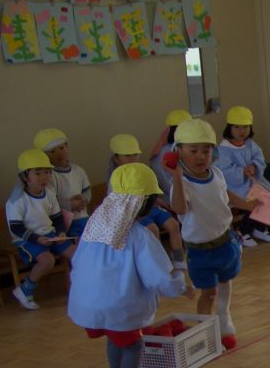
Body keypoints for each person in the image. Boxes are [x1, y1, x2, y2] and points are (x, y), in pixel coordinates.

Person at [68, 163, 193, 368]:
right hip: (117, 304)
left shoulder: (95, 225)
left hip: (88, 301)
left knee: (115, 340)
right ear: (145, 203)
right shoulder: (138, 236)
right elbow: (158, 277)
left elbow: (78, 260)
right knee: (133, 344)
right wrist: (180, 287)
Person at [168, 118, 259, 350]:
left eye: (206, 150)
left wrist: (247, 205)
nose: (200, 156)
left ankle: (224, 316)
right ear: (178, 152)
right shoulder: (182, 184)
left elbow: (225, 195)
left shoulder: (216, 173)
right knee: (207, 292)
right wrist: (177, 177)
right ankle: (205, 330)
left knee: (226, 281)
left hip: (225, 242)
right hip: (200, 250)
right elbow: (179, 208)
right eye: (193, 151)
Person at [6, 149, 76, 310]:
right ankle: (25, 289)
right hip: (27, 240)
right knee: (47, 260)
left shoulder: (49, 193)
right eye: (37, 173)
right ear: (25, 176)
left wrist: (61, 232)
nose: (44, 177)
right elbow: (16, 227)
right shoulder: (17, 200)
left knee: (77, 253)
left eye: (47, 172)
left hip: (50, 235)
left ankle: (80, 285)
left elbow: (57, 217)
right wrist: (36, 238)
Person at [107, 133, 187, 269]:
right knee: (152, 230)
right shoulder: (116, 177)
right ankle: (156, 263)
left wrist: (162, 203)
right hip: (133, 214)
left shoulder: (143, 171)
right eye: (127, 156)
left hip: (151, 208)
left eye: (135, 154)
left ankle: (179, 260)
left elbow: (153, 192)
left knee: (173, 224)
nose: (132, 158)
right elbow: (115, 203)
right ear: (116, 158)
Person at [217, 105, 270, 246]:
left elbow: (259, 159)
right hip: (235, 186)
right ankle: (242, 231)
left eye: (245, 127)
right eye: (237, 127)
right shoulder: (223, 149)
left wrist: (254, 166)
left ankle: (259, 228)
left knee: (269, 197)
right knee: (255, 201)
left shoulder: (251, 144)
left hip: (253, 181)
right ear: (229, 128)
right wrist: (241, 172)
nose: (241, 131)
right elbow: (224, 171)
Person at [34, 128, 91, 240]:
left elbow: (87, 190)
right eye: (52, 151)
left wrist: (83, 200)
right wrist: (69, 205)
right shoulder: (49, 177)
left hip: (83, 217)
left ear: (67, 147)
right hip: (64, 224)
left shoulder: (78, 170)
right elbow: (50, 201)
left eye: (61, 148)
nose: (59, 153)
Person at [149, 108, 193, 196]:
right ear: (172, 131)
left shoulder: (185, 146)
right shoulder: (168, 151)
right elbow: (164, 180)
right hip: (175, 198)